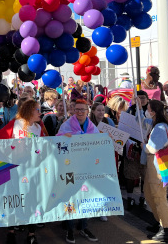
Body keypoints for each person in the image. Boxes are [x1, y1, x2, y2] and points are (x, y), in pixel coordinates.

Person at [0, 99, 46, 244]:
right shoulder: (15, 125)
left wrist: (64, 139)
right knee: (13, 199)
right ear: (29, 111)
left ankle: (31, 233)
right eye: (37, 110)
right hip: (14, 170)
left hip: (32, 170)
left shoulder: (38, 129)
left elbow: (47, 147)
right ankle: (11, 232)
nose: (40, 113)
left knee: (32, 199)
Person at [57, 99, 99, 243]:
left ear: (88, 111)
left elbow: (99, 142)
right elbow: (56, 142)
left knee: (85, 197)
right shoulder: (66, 125)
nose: (80, 112)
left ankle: (83, 226)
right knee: (70, 197)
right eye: (78, 109)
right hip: (69, 168)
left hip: (86, 167)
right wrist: (63, 138)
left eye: (83, 110)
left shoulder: (92, 126)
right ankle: (69, 228)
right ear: (73, 111)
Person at [143, 100, 168, 243]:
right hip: (152, 166)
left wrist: (144, 146)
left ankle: (166, 229)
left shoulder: (161, 127)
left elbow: (153, 148)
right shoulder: (156, 125)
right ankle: (159, 221)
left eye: (148, 109)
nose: (146, 111)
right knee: (149, 194)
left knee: (159, 197)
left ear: (153, 112)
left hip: (157, 167)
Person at [123, 92, 153, 210]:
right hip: (132, 146)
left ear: (147, 99)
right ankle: (129, 197)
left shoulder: (151, 111)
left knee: (145, 174)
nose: (140, 100)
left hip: (146, 147)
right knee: (130, 173)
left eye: (142, 98)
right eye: (138, 98)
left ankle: (143, 197)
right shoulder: (129, 110)